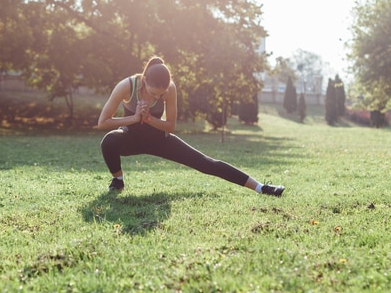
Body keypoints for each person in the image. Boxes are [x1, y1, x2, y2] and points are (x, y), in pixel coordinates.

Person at [97, 56, 285, 196]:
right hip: (131, 138)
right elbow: (103, 122)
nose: (157, 98)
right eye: (154, 93)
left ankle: (261, 187)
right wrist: (135, 118)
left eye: (160, 95)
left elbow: (170, 126)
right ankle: (118, 181)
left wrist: (148, 119)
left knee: (206, 163)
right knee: (109, 141)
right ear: (145, 80)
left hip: (159, 139)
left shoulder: (169, 88)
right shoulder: (127, 86)